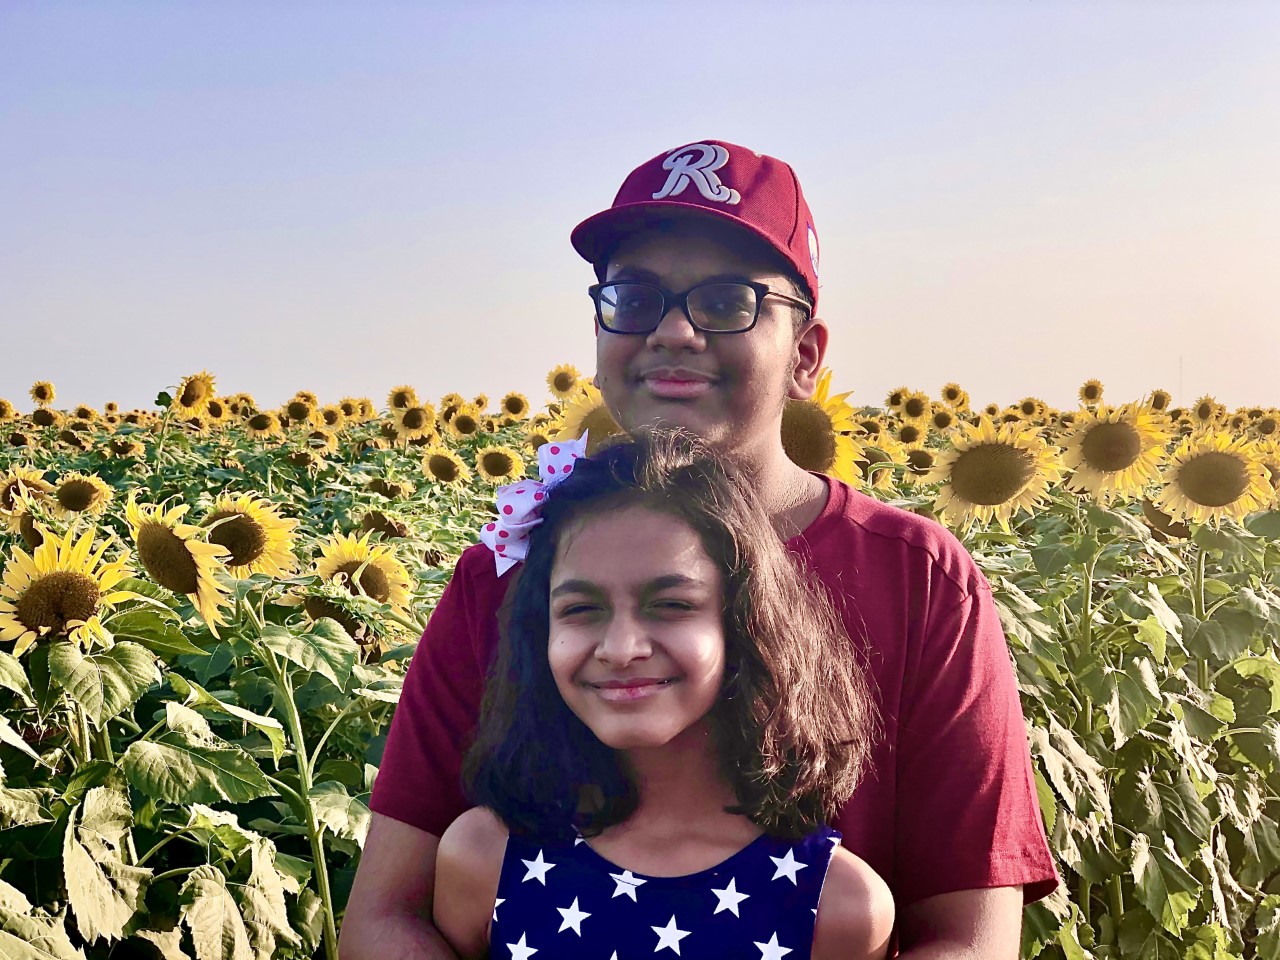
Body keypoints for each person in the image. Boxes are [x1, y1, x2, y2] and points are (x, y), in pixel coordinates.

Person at [340, 139, 1059, 960]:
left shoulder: (919, 577)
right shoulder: (507, 571)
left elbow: (968, 939)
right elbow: (384, 917)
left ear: (807, 357)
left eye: (726, 303)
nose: (674, 332)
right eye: (635, 297)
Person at [432, 430, 894, 960]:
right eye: (581, 609)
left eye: (671, 605)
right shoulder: (484, 859)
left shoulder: (837, 906)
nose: (621, 648)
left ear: (744, 625)